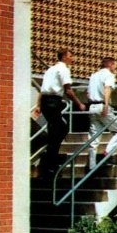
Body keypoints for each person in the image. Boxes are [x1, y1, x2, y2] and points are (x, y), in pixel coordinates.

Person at [34, 48, 86, 178]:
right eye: (70, 56)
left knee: (54, 130)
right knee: (62, 128)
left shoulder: (50, 70)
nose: (72, 59)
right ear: (63, 57)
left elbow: (43, 89)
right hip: (53, 101)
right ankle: (49, 161)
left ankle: (48, 162)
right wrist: (78, 103)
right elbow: (68, 90)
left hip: (46, 101)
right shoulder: (63, 69)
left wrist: (39, 105)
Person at [86, 57, 117, 170]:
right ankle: (106, 154)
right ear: (110, 64)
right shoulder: (109, 75)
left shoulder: (93, 75)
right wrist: (106, 105)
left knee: (94, 138)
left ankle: (91, 166)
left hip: (92, 107)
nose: (115, 68)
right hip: (102, 106)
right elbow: (107, 88)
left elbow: (88, 93)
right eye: (115, 65)